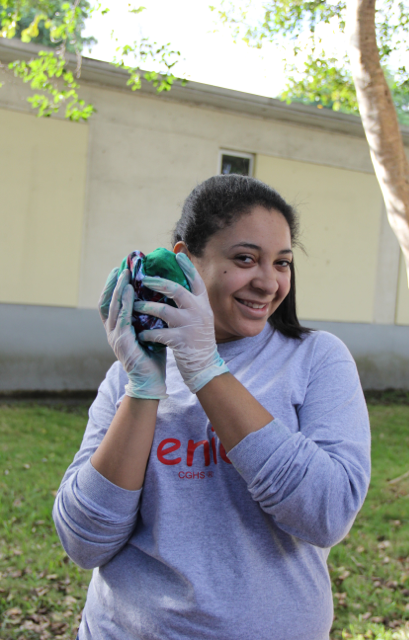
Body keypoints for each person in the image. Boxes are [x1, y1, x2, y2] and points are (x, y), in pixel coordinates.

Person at [53, 174, 371, 640]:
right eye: (245, 259)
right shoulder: (132, 371)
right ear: (186, 260)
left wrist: (205, 370)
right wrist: (143, 387)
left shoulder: (316, 358)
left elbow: (327, 513)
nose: (268, 282)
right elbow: (84, 541)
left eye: (281, 263)